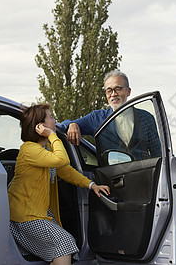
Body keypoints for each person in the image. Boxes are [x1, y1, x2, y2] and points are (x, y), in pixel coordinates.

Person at [8, 104, 110, 265]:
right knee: (64, 243)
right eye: (51, 117)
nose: (55, 121)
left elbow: (65, 170)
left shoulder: (45, 150)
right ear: (40, 126)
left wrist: (91, 185)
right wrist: (52, 135)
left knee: (62, 246)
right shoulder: (29, 150)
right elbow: (62, 159)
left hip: (38, 214)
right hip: (25, 216)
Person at [60, 70, 161, 160]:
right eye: (109, 90)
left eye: (118, 89)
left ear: (128, 91)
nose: (113, 94)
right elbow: (60, 127)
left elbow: (157, 154)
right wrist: (72, 124)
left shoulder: (146, 118)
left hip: (144, 175)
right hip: (111, 178)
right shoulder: (96, 118)